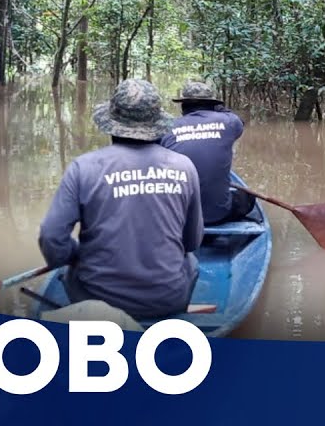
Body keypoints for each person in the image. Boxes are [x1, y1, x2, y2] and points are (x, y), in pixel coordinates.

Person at [37, 78, 204, 320]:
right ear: (157, 123)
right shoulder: (184, 167)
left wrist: (74, 256)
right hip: (168, 300)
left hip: (97, 300)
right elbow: (192, 242)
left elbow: (51, 237)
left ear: (111, 123)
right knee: (193, 263)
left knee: (65, 271)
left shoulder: (83, 168)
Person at [160, 81, 256, 225]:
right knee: (248, 197)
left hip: (178, 217)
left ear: (183, 106)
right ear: (213, 105)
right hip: (218, 214)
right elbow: (239, 123)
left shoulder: (168, 127)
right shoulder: (229, 121)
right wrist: (219, 110)